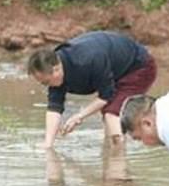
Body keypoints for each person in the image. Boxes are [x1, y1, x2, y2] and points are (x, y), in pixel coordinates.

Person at [27, 31, 157, 149]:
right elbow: (54, 107)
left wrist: (79, 117)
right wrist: (48, 143)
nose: (46, 85)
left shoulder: (88, 60)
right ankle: (110, 153)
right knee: (108, 117)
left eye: (46, 82)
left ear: (56, 69)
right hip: (116, 70)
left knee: (111, 113)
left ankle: (118, 162)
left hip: (139, 67)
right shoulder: (56, 72)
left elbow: (106, 96)